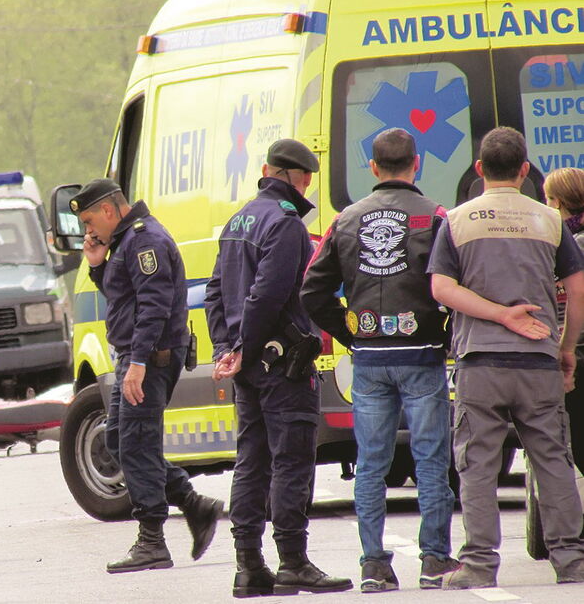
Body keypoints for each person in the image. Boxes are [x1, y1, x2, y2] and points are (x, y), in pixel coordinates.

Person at [300, 128, 457, 591]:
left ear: (372, 168)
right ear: (418, 164)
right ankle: (434, 561)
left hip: (369, 358)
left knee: (370, 462)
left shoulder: (346, 220)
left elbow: (312, 290)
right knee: (430, 459)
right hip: (423, 352)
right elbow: (457, 282)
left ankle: (374, 565)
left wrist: (351, 332)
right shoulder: (436, 217)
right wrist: (443, 331)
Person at [428, 128, 584, 588]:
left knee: (477, 464)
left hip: (480, 363)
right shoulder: (549, 222)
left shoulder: (456, 221)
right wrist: (565, 348)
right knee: (553, 458)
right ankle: (572, 561)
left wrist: (499, 316)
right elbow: (577, 289)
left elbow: (441, 288)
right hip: (538, 363)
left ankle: (478, 564)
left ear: (479, 170)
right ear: (524, 170)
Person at [205, 139, 352, 597]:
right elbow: (266, 296)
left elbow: (215, 292)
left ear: (267, 169)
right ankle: (293, 562)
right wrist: (246, 349)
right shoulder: (286, 225)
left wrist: (226, 351)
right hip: (282, 365)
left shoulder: (237, 220)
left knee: (252, 461)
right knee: (291, 461)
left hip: (247, 366)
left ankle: (248, 567)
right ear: (300, 177)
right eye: (308, 179)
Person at [71, 178, 224, 574]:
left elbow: (154, 307)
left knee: (136, 443)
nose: (88, 231)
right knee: (121, 440)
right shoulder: (125, 241)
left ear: (108, 210)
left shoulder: (144, 240)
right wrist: (96, 265)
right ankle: (192, 503)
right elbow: (122, 296)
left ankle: (152, 541)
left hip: (151, 358)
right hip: (136, 355)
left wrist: (137, 362)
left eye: (90, 221)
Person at [544, 167, 584, 529]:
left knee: (568, 445)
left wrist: (564, 345)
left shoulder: (565, 245)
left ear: (557, 203)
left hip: (575, 352)